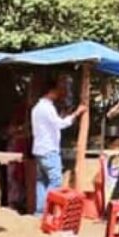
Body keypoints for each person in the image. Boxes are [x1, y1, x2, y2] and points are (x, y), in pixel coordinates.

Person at [31, 77, 87, 216]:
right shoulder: (47, 108)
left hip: (39, 149)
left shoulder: (37, 108)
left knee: (41, 181)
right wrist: (76, 113)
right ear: (51, 91)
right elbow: (60, 124)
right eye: (57, 90)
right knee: (55, 181)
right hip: (49, 150)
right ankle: (48, 211)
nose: (59, 93)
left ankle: (39, 212)